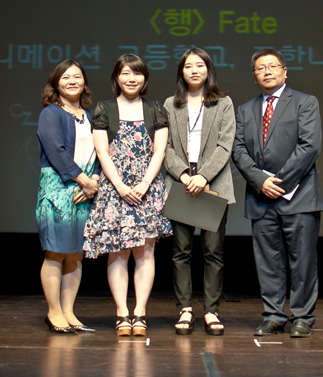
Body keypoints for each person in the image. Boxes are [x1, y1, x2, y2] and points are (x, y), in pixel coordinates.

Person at [231, 48, 323, 338]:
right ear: (254, 76)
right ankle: (273, 315)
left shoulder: (305, 102)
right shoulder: (245, 110)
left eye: (272, 66)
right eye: (261, 68)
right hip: (260, 198)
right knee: (268, 262)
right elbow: (238, 149)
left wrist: (280, 183)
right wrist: (261, 181)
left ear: (285, 71)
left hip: (299, 196)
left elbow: (309, 146)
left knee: (302, 261)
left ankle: (302, 317)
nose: (267, 71)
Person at [83, 53, 172, 337]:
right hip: (115, 189)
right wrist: (120, 186)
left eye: (137, 73)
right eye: (125, 73)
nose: (132, 78)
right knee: (118, 253)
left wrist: (145, 183)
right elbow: (102, 152)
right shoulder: (104, 109)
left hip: (147, 189)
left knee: (145, 252)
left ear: (145, 78)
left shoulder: (155, 109)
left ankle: (140, 313)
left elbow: (160, 150)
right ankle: (122, 313)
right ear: (116, 78)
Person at [163, 48, 236, 336]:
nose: (194, 70)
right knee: (180, 251)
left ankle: (211, 311)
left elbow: (225, 144)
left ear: (209, 70)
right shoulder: (171, 104)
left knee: (213, 251)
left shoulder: (224, 103)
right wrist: (184, 175)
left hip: (213, 183)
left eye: (200, 65)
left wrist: (203, 176)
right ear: (181, 72)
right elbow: (165, 146)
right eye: (188, 66)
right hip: (181, 181)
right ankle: (184, 309)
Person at [36, 59, 101, 334]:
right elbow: (56, 151)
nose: (72, 81)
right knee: (55, 252)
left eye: (77, 77)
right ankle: (53, 312)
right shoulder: (51, 113)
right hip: (58, 188)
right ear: (55, 83)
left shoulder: (92, 116)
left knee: (75, 254)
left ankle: (69, 311)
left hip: (86, 190)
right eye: (65, 77)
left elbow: (102, 152)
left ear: (84, 83)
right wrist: (84, 181)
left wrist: (94, 180)